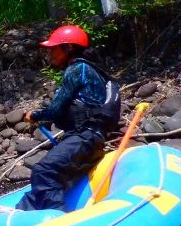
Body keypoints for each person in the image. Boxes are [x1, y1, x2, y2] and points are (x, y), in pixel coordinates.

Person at [15, 24, 121, 212]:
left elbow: (56, 109)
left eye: (54, 49)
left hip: (84, 137)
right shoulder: (91, 70)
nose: (50, 54)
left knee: (43, 172)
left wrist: (34, 115)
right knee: (42, 187)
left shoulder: (76, 69)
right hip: (91, 138)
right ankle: (21, 216)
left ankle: (59, 224)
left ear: (68, 47)